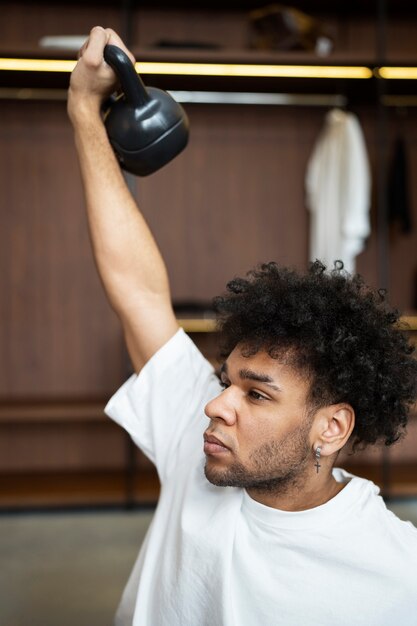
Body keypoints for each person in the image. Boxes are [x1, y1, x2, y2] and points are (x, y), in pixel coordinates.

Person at [68, 26, 417, 626]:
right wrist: (83, 113)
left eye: (257, 393)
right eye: (225, 381)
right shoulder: (203, 439)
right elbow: (139, 291)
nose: (215, 406)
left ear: (330, 426)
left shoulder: (395, 573)